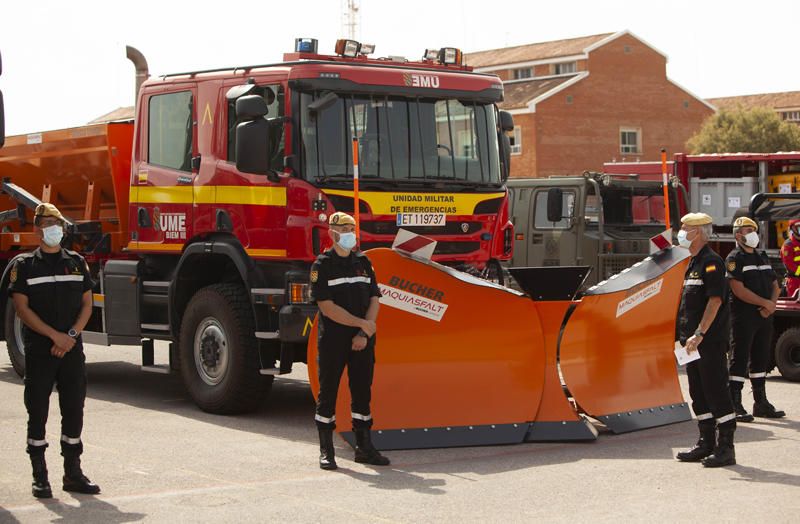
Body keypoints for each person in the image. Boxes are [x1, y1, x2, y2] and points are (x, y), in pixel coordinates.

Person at [8, 203, 100, 498]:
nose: (54, 229)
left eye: (58, 223)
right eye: (48, 223)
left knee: (74, 409)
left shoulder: (76, 262)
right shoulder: (24, 265)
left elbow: (87, 303)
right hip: (40, 350)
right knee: (38, 411)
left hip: (71, 349)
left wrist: (70, 336)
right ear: (37, 229)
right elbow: (21, 309)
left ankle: (73, 473)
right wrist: (54, 337)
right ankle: (40, 476)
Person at [309, 211, 390, 470]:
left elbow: (375, 299)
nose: (350, 235)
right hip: (334, 339)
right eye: (345, 230)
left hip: (362, 340)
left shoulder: (363, 262)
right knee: (328, 393)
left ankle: (364, 448)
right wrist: (361, 325)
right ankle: (326, 451)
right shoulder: (322, 266)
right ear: (333, 233)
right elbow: (327, 307)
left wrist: (364, 333)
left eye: (352, 229)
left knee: (362, 393)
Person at [675, 212, 737, 468]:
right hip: (690, 343)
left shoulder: (712, 263)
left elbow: (715, 300)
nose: (680, 232)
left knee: (716, 391)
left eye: (684, 228)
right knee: (698, 393)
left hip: (707, 342)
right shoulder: (692, 262)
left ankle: (726, 448)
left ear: (698, 232)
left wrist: (700, 333)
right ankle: (706, 442)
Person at [726, 216, 785, 420]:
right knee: (739, 358)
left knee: (761, 358)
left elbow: (775, 285)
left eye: (753, 229)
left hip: (764, 317)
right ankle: (734, 403)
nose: (752, 233)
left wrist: (771, 304)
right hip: (744, 317)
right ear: (737, 235)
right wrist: (764, 303)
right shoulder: (734, 259)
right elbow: (738, 289)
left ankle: (761, 403)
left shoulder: (762, 256)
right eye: (747, 230)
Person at [780, 219, 800, 299]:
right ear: (792, 228)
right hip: (794, 281)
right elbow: (789, 265)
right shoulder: (788, 245)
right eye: (798, 226)